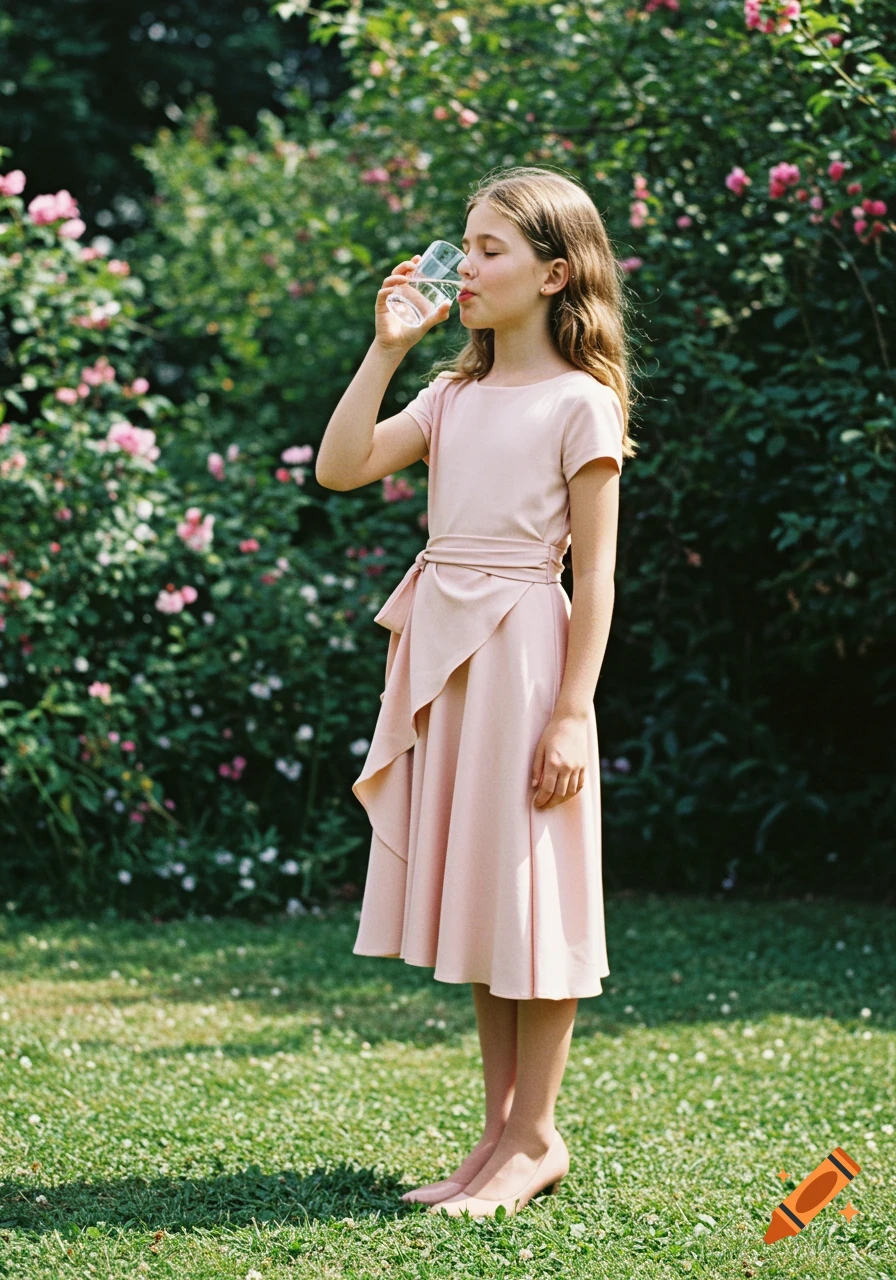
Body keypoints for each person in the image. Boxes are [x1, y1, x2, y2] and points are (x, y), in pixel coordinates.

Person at [315, 165, 639, 1218]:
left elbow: (592, 577)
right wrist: (388, 346)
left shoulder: (579, 401)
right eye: (465, 244)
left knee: (530, 894)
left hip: (526, 659)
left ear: (553, 274)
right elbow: (341, 465)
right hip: (446, 651)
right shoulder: (449, 395)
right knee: (489, 901)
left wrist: (572, 711)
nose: (466, 266)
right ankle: (498, 1134)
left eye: (489, 248)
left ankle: (535, 1132)